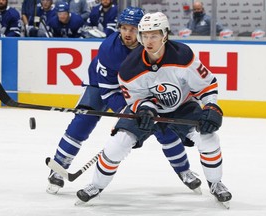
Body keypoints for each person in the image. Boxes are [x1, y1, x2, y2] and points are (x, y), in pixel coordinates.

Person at [76, 12, 232, 206]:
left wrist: (211, 105)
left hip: (182, 106)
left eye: (154, 36)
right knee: (117, 144)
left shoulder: (183, 56)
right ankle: (96, 186)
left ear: (165, 35)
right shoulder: (129, 68)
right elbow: (134, 100)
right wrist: (145, 109)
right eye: (145, 35)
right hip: (148, 110)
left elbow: (206, 85)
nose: (149, 41)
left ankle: (216, 183)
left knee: (209, 140)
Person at [47, 7, 201, 195]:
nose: (128, 34)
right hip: (102, 85)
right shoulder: (109, 50)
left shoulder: (153, 46)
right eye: (124, 28)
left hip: (138, 87)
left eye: (134, 29)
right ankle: (58, 167)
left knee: (162, 125)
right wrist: (129, 113)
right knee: (83, 120)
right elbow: (109, 91)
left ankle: (184, 170)